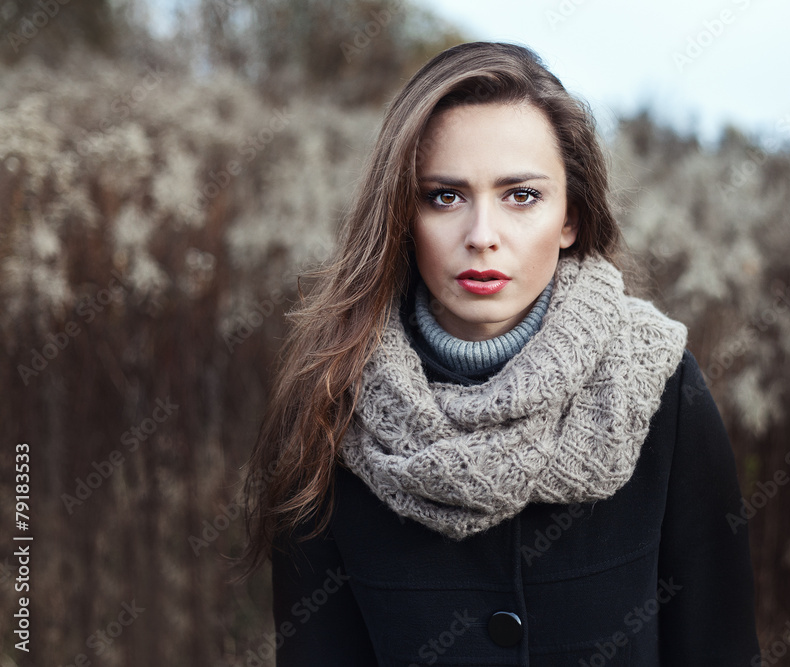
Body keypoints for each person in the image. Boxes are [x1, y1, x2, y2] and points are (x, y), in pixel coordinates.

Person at [236, 41, 761, 665]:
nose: (482, 236)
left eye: (521, 196)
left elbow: (720, 647)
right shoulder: (330, 400)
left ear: (570, 217)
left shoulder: (660, 385)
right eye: (444, 196)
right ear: (402, 215)